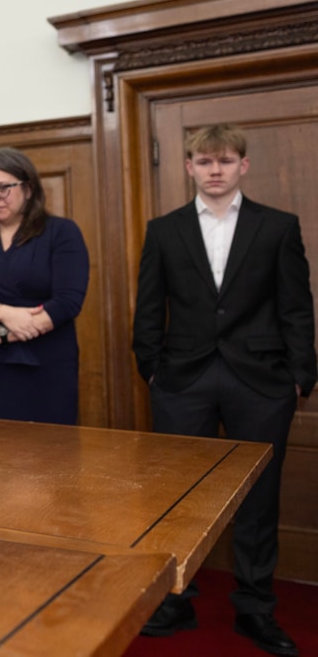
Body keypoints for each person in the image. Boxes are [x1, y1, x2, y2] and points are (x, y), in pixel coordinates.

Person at [133, 124, 314, 656]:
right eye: (205, 162)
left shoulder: (278, 227)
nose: (216, 170)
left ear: (243, 166)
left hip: (261, 384)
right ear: (189, 167)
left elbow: (296, 308)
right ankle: (174, 602)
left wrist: (301, 375)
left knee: (259, 500)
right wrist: (153, 369)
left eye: (226, 161)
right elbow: (148, 308)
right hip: (181, 381)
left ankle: (256, 609)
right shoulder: (163, 231)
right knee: (179, 499)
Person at [0, 147, 88, 425]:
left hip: (46, 364)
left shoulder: (62, 232)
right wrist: (3, 313)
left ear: (29, 188)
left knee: (49, 456)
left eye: (3, 188)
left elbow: (67, 302)